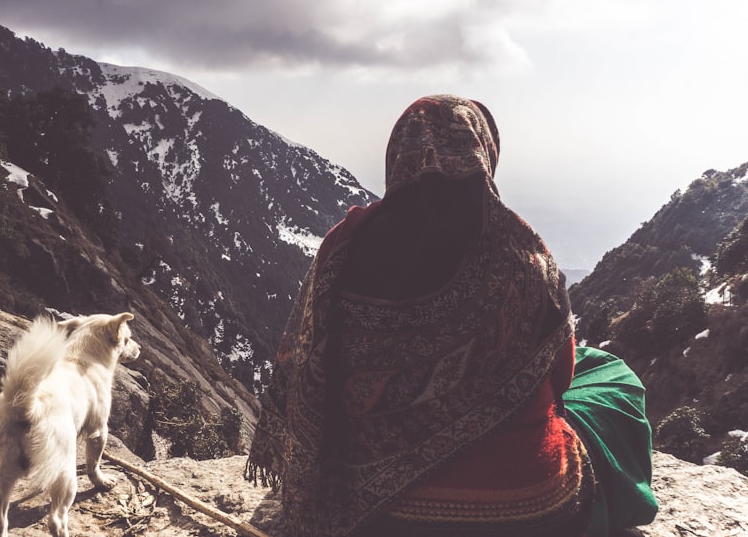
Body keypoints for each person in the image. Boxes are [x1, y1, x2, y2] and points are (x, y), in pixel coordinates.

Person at [246, 95, 657, 536]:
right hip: (529, 510)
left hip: (370, 514)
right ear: (484, 153)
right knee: (610, 376)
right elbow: (560, 378)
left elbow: (305, 365)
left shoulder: (343, 248)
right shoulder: (522, 252)